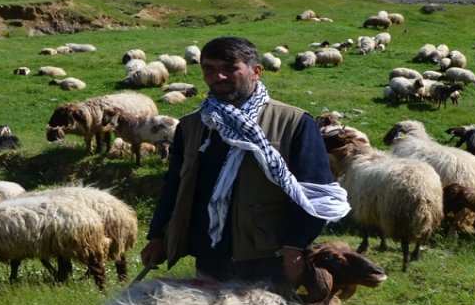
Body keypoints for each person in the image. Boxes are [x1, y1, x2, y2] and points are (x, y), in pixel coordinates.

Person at [140, 36, 349, 287]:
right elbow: (175, 184)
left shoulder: (293, 123)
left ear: (256, 71)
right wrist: (158, 237)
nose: (218, 77)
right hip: (210, 251)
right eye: (210, 69)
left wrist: (296, 246)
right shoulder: (193, 126)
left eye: (230, 68)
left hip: (268, 254)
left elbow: (316, 195)